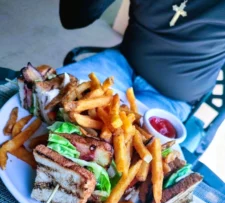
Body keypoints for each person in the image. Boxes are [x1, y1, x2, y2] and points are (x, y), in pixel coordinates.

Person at [59, 0, 225, 121]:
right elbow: (72, 18)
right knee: (53, 99)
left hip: (171, 97)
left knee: (121, 149)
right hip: (122, 62)